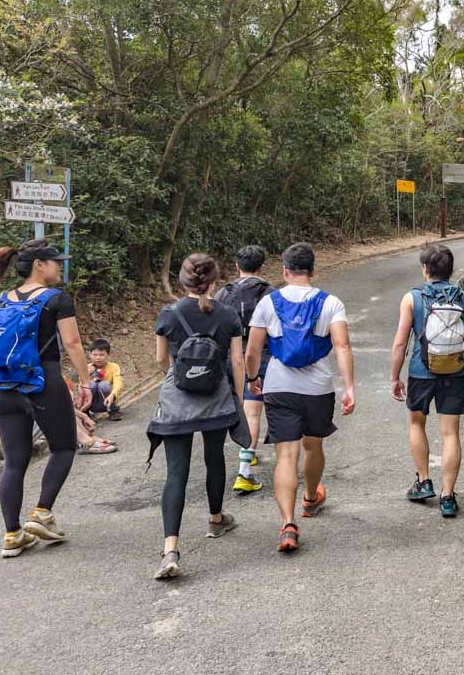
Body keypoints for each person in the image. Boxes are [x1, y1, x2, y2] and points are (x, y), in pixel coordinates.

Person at [246, 242, 355, 553]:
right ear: (313, 270)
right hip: (318, 388)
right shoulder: (331, 302)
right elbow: (342, 346)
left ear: (284, 270)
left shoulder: (269, 302)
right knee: (314, 444)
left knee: (286, 455)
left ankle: (288, 524)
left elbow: (253, 350)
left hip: (278, 386)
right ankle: (310, 497)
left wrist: (254, 380)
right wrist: (349, 387)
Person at [149, 254, 250, 580]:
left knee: (176, 472)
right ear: (215, 280)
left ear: (183, 280)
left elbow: (161, 360)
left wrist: (182, 377)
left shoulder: (169, 313)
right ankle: (216, 518)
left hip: (177, 401)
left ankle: (170, 551)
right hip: (215, 398)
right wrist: (236, 396)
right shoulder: (228, 314)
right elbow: (237, 361)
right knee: (214, 457)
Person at [0, 240, 92, 558]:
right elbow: (72, 343)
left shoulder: (2, 300)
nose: (58, 267)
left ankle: (12, 535)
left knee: (14, 462)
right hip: (43, 381)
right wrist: (85, 382)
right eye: (54, 262)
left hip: (4, 387)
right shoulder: (57, 299)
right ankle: (42, 513)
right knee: (63, 446)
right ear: (39, 265)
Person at [389, 243, 464, 517]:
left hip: (421, 370)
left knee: (417, 423)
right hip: (453, 370)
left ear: (425, 269)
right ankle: (448, 496)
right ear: (450, 271)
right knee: (450, 432)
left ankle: (424, 480)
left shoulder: (412, 298)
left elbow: (400, 343)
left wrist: (395, 376)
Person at [214, 245, 273, 495]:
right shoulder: (269, 293)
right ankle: (244, 472)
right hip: (260, 357)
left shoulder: (222, 293)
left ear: (237, 265)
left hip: (228, 357)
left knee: (236, 409)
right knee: (253, 413)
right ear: (261, 266)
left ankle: (246, 450)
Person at [87, 339, 123, 420]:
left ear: (108, 354)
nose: (98, 358)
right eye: (95, 355)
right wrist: (86, 376)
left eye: (101, 355)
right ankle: (85, 412)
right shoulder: (87, 368)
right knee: (90, 384)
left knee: (104, 385)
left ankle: (113, 411)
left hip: (108, 400)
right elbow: (81, 388)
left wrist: (112, 395)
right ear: (90, 354)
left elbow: (118, 383)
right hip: (91, 403)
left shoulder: (114, 366)